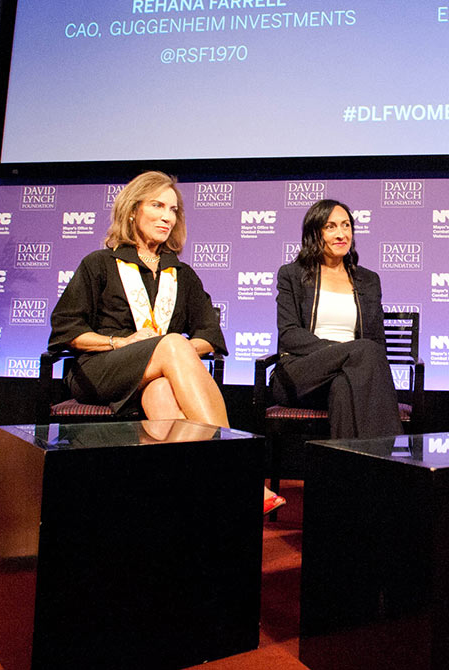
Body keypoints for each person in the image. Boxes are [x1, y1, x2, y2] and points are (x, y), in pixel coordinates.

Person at [49, 171, 282, 512]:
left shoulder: (182, 274)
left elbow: (209, 338)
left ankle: (177, 509)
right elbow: (68, 331)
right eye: (157, 205)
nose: (167, 216)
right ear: (133, 210)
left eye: (173, 210)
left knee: (163, 394)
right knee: (172, 344)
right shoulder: (99, 263)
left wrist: (170, 353)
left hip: (154, 379)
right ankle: (240, 468)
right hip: (101, 371)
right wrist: (122, 344)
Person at [273, 199, 403, 438]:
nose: (341, 234)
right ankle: (394, 462)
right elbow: (290, 335)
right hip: (301, 372)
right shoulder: (292, 275)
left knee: (344, 387)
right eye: (331, 227)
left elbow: (376, 340)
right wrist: (345, 352)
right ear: (315, 233)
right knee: (364, 350)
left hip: (350, 375)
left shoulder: (368, 280)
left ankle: (344, 472)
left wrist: (351, 357)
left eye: (346, 226)